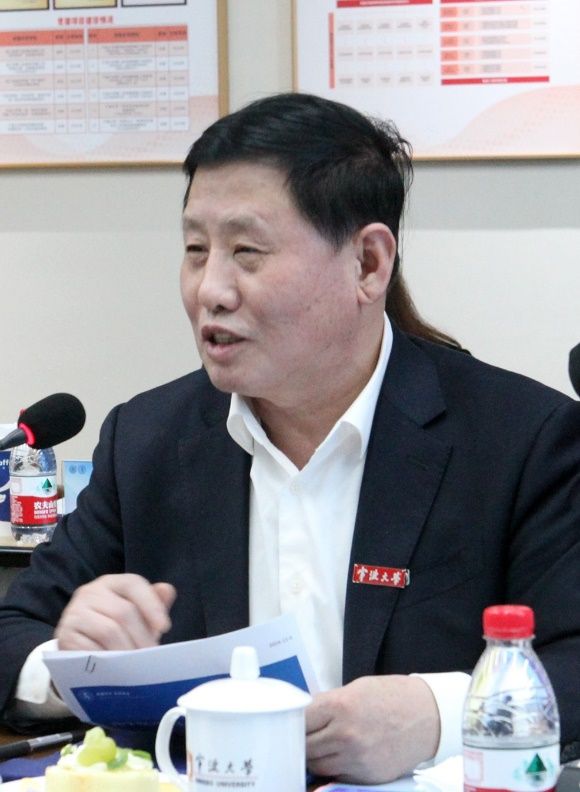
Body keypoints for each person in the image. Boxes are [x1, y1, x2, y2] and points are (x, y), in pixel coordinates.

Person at [0, 92, 579, 783]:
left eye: (247, 252)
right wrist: (72, 665)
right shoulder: (148, 441)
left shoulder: (520, 441)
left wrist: (436, 712)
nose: (210, 290)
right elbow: (13, 634)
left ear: (368, 264)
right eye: (195, 250)